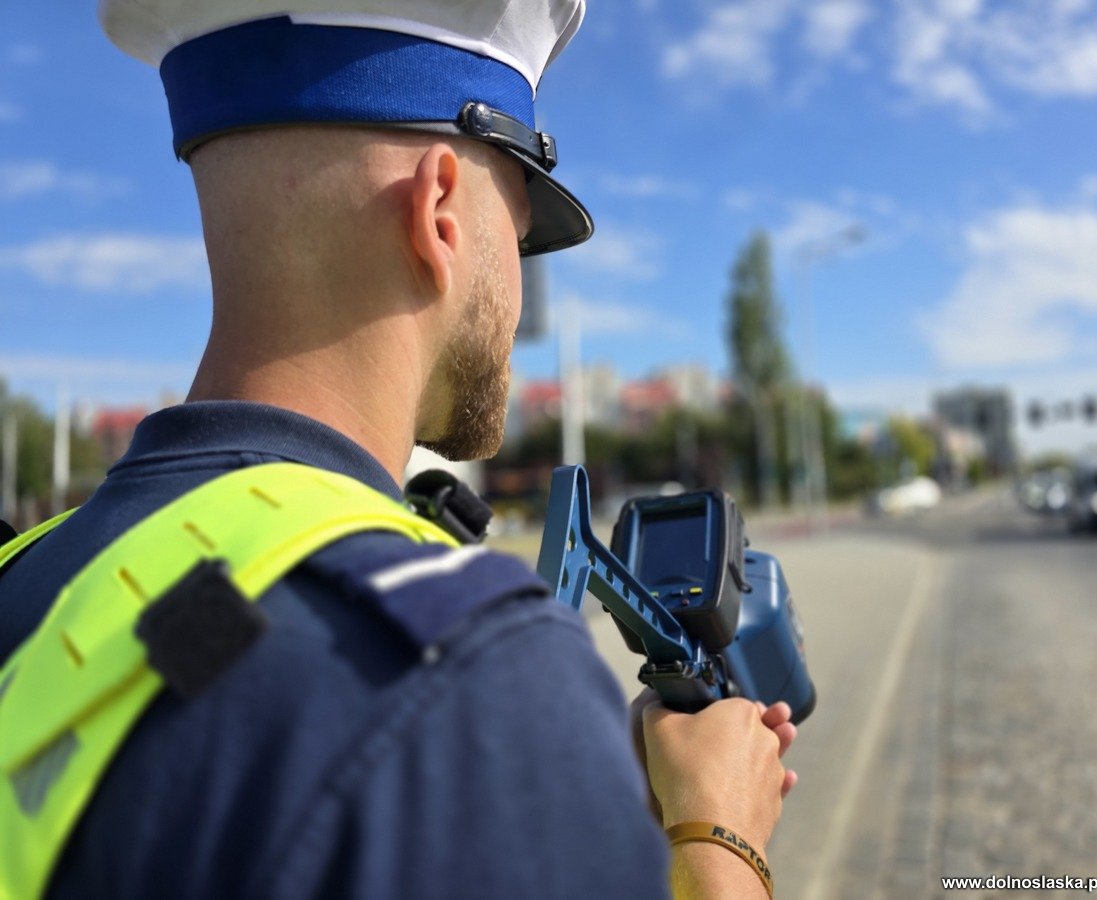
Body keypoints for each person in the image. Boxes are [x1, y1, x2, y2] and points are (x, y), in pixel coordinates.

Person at [0, 2, 798, 897]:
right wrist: (720, 838)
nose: (523, 285)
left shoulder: (33, 570)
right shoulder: (461, 679)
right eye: (522, 231)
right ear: (443, 211)